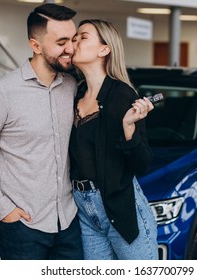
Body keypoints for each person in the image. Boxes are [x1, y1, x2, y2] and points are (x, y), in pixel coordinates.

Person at [0, 3, 83, 260]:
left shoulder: (72, 86)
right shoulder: (5, 92)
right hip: (22, 226)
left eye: (73, 39)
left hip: (69, 222)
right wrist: (3, 207)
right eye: (62, 41)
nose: (71, 49)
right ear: (36, 45)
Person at [69, 19, 158, 260]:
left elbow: (142, 164)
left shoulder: (122, 95)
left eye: (82, 37)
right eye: (74, 37)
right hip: (84, 209)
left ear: (104, 49)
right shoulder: (74, 92)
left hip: (120, 206)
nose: (74, 41)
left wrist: (128, 128)